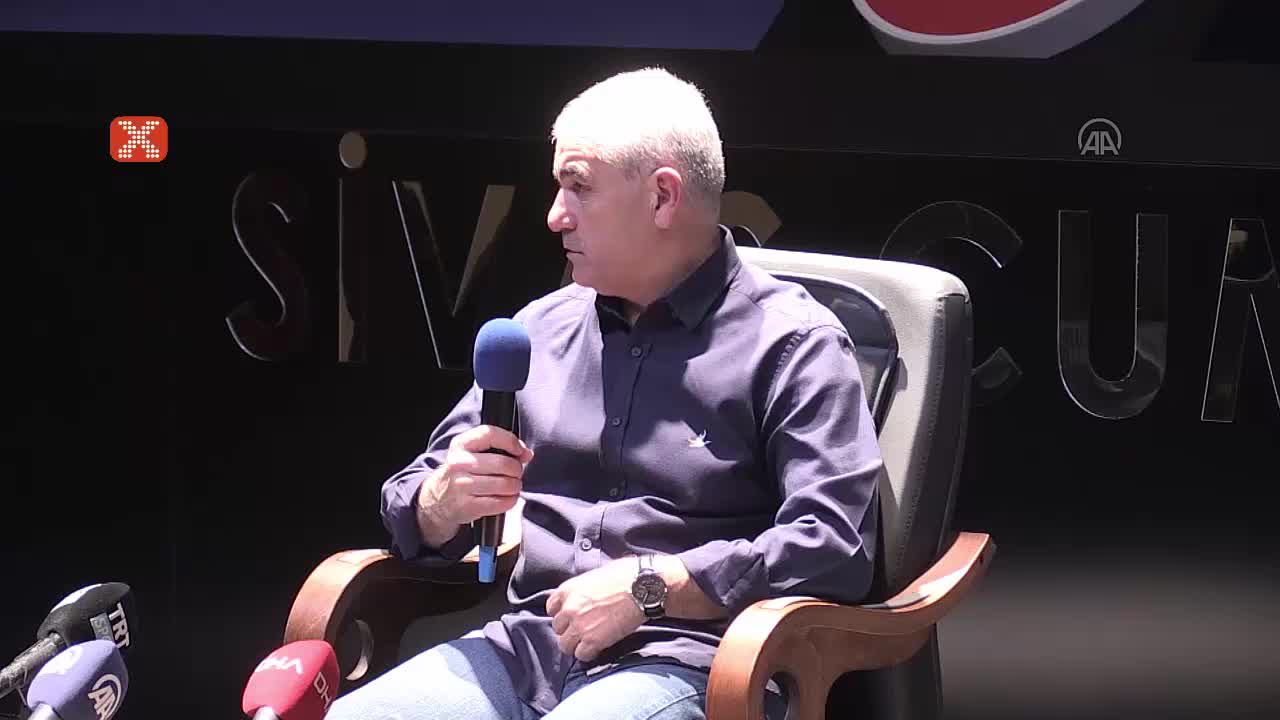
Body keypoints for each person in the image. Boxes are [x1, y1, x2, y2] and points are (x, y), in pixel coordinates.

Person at [328, 67, 884, 720]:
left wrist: (653, 586)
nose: (554, 215)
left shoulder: (794, 343)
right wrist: (440, 502)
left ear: (662, 198)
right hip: (531, 650)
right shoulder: (540, 330)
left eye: (579, 187)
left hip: (695, 661)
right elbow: (413, 499)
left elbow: (833, 546)